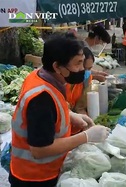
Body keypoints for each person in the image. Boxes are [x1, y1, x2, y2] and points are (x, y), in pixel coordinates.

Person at [9, 33, 111, 187]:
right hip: (34, 178)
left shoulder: (41, 76)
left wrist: (71, 115)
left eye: (83, 63)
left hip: (46, 170)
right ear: (57, 66)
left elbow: (49, 112)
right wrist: (86, 136)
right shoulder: (41, 98)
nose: (82, 69)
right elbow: (40, 150)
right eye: (77, 64)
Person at [66, 47, 94, 135]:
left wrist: (88, 123)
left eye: (90, 68)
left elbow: (80, 106)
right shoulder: (63, 80)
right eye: (85, 68)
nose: (87, 72)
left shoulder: (86, 79)